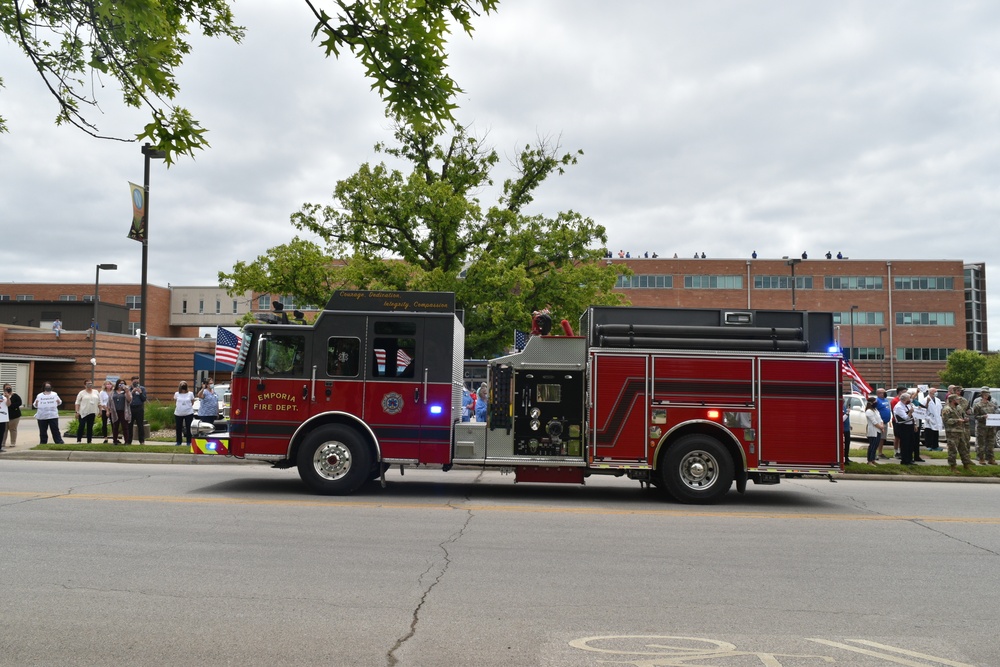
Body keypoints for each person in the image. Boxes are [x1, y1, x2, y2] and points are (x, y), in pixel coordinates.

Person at [942, 394, 973, 472]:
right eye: (957, 399)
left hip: (960, 431)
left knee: (964, 449)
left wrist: (964, 419)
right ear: (953, 400)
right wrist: (957, 420)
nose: (959, 400)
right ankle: (953, 466)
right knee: (952, 450)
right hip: (952, 432)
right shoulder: (947, 409)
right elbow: (946, 421)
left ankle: (966, 465)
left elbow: (962, 416)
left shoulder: (957, 408)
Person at [972, 387, 998, 465]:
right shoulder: (977, 405)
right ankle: (981, 458)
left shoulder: (992, 404)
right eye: (985, 394)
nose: (987, 396)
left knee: (990, 443)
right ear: (982, 395)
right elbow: (975, 416)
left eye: (988, 394)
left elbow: (995, 413)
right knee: (981, 443)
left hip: (991, 427)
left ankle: (990, 458)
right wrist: (983, 417)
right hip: (982, 427)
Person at [893, 392, 917, 465]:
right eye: (908, 399)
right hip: (903, 427)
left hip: (910, 426)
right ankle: (904, 460)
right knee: (905, 444)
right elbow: (905, 418)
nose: (910, 400)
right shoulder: (899, 407)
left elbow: (913, 416)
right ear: (904, 399)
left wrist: (914, 424)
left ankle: (909, 459)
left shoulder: (907, 405)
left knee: (911, 443)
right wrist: (910, 412)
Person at [108, 379, 132, 445]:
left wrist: (127, 391)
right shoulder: (113, 392)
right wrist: (108, 410)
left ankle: (126, 441)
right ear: (117, 384)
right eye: (120, 383)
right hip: (115, 411)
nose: (121, 385)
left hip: (124, 411)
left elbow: (129, 400)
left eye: (123, 383)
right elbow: (109, 402)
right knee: (115, 426)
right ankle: (115, 440)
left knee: (125, 426)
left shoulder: (126, 392)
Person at [173, 381, 195, 447]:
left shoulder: (190, 393)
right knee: (178, 428)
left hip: (188, 413)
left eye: (184, 385)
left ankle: (189, 441)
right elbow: (175, 401)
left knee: (189, 427)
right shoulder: (177, 394)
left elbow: (192, 402)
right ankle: (178, 441)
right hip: (178, 413)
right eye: (182, 385)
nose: (183, 386)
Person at [864, 395, 884, 465]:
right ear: (871, 403)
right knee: (872, 446)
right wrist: (881, 427)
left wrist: (882, 425)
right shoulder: (869, 411)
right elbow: (874, 422)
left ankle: (873, 459)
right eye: (875, 401)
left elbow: (880, 419)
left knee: (876, 446)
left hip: (878, 430)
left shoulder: (875, 410)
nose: (876, 403)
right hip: (873, 431)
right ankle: (869, 460)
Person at [1, 383, 22, 448]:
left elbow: (19, 403)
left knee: (13, 429)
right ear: (4, 389)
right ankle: (2, 443)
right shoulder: (2, 396)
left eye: (9, 388)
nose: (8, 389)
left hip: (14, 416)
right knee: (4, 430)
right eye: (6, 388)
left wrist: (11, 405)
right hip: (4, 416)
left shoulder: (15, 396)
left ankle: (13, 442)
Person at [874, 388, 893, 459]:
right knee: (877, 438)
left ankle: (880, 452)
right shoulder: (877, 401)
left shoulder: (885, 400)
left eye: (884, 392)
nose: (884, 394)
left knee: (882, 438)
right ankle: (874, 453)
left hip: (886, 422)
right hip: (880, 423)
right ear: (878, 393)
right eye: (882, 393)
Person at [922, 387, 943, 451]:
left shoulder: (938, 400)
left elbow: (940, 409)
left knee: (935, 433)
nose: (936, 393)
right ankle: (929, 445)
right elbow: (923, 409)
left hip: (936, 418)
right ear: (930, 392)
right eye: (935, 391)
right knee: (929, 432)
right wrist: (926, 417)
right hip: (929, 418)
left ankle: (935, 446)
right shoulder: (925, 399)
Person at [129, 376, 148, 444]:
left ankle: (141, 440)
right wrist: (132, 392)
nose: (136, 382)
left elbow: (144, 399)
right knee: (129, 425)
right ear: (131, 381)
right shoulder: (128, 388)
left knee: (140, 425)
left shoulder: (142, 388)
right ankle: (129, 440)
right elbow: (126, 398)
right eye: (135, 381)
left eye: (137, 381)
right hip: (130, 408)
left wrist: (140, 393)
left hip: (139, 408)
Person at [842, 398, 853, 464]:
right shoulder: (839, 407)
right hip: (843, 429)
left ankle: (846, 457)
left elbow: (846, 419)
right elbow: (841, 419)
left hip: (847, 428)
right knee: (843, 445)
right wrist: (847, 414)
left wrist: (849, 425)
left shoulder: (844, 406)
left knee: (847, 444)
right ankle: (843, 458)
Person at [0, 385, 9, 451]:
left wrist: (8, 397)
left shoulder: (3, 397)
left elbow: (8, 404)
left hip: (2, 418)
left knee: (1, 433)